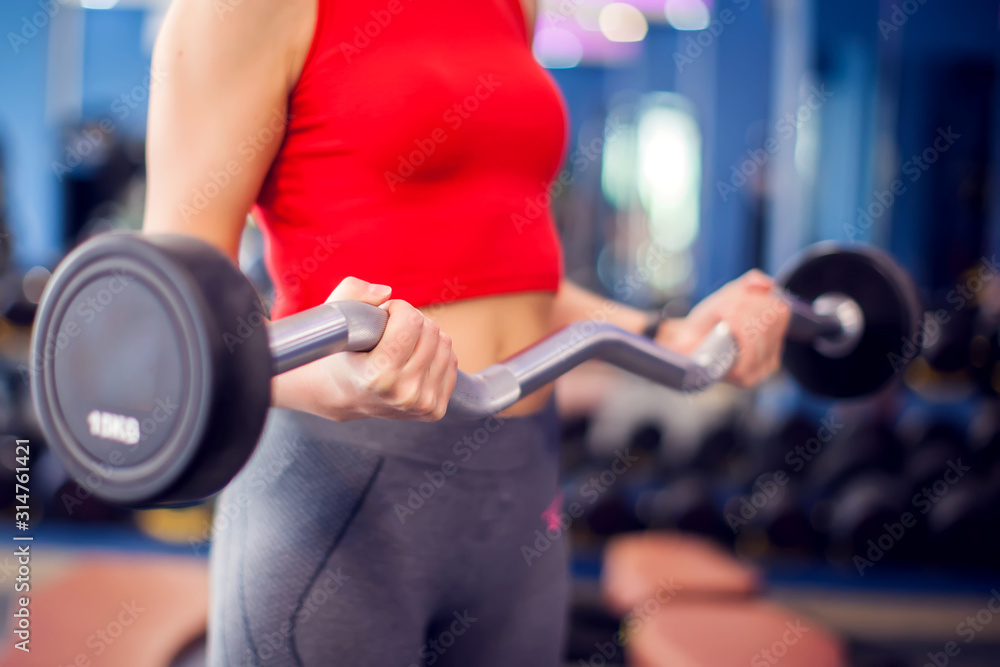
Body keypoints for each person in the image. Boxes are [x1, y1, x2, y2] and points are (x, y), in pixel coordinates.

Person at [143, 0, 791, 664]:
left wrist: (666, 334)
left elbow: (508, 275)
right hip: (344, 487)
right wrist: (332, 380)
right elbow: (173, 317)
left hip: (521, 482)